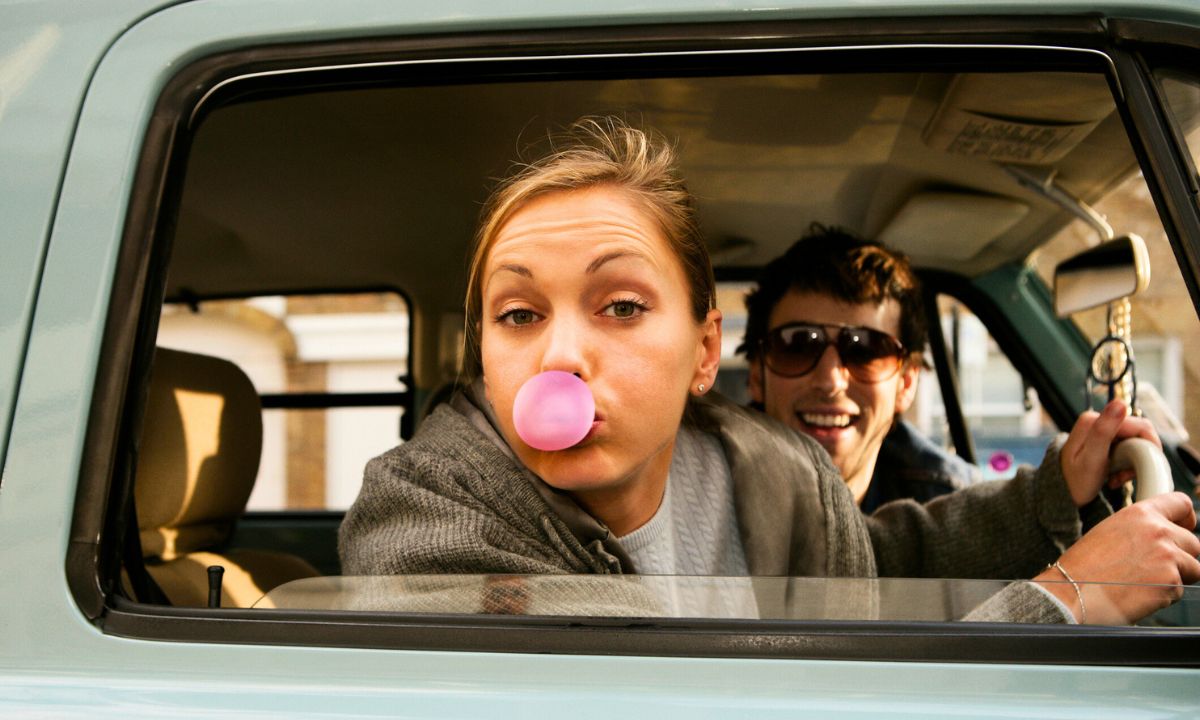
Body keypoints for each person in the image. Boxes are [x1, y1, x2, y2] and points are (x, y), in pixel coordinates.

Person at [339, 116, 1200, 625]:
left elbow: (863, 570)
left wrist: (1053, 495)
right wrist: (1062, 599)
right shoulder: (420, 518)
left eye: (622, 306)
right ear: (486, 353)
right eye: (519, 315)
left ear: (705, 351)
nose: (558, 355)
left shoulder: (774, 469)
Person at [739, 226, 978, 513]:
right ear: (757, 376)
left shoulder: (955, 508)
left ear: (906, 384)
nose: (830, 381)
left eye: (866, 350)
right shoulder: (694, 501)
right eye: (798, 345)